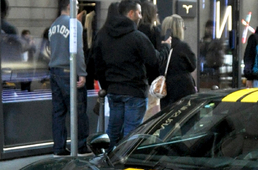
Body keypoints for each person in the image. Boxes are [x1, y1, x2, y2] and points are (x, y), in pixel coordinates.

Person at [92, 0, 171, 148]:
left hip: (114, 91)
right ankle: (126, 165)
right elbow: (155, 60)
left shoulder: (103, 35)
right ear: (131, 13)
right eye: (139, 12)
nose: (141, 16)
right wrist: (166, 47)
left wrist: (107, 86)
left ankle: (109, 162)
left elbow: (98, 65)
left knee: (113, 132)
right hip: (134, 91)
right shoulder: (137, 37)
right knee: (131, 134)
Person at [48, 0, 91, 156]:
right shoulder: (74, 24)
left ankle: (59, 147)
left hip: (54, 70)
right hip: (69, 71)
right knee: (78, 110)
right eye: (77, 5)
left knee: (58, 112)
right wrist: (82, 73)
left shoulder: (53, 26)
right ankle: (80, 146)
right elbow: (77, 51)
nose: (78, 8)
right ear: (69, 6)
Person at [159, 15, 197, 110]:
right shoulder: (182, 46)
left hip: (165, 88)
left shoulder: (159, 45)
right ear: (178, 29)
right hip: (183, 87)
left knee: (167, 117)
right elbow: (192, 66)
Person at [138, 1, 162, 119]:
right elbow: (157, 56)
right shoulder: (154, 30)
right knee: (151, 108)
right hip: (152, 77)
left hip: (138, 75)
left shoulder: (136, 30)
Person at [199, 20, 224, 88]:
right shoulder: (201, 42)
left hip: (213, 71)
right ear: (206, 29)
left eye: (212, 28)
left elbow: (220, 58)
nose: (211, 30)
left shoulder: (217, 43)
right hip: (203, 71)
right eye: (209, 28)